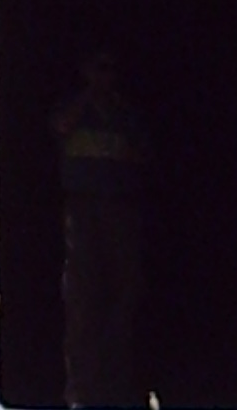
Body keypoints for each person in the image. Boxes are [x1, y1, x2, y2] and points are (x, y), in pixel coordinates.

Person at [52, 49, 149, 409]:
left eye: (110, 69)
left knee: (124, 294)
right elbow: (59, 127)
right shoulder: (76, 108)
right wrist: (89, 97)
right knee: (81, 299)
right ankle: (80, 389)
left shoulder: (125, 112)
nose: (105, 76)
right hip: (83, 209)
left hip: (121, 207)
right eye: (98, 68)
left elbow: (144, 151)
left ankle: (118, 384)